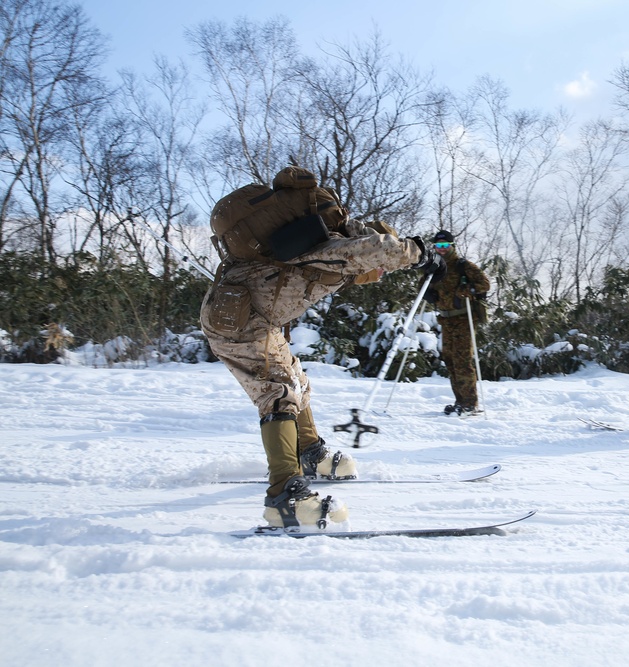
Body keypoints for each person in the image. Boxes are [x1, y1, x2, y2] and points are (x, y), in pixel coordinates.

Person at [200, 167, 444, 530]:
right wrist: (418, 252)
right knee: (279, 392)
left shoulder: (320, 248)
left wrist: (427, 252)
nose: (380, 273)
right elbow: (372, 250)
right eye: (381, 269)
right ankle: (285, 497)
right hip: (239, 322)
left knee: (296, 382)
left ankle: (310, 453)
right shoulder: (319, 247)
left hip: (248, 316)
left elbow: (364, 250)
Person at [422, 230, 490, 416]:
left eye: (445, 246)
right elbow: (422, 285)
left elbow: (484, 284)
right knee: (450, 361)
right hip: (446, 319)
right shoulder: (435, 267)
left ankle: (469, 404)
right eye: (438, 246)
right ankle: (460, 401)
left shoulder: (462, 266)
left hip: (463, 319)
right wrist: (428, 293)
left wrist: (466, 290)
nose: (442, 249)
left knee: (462, 362)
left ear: (452, 246)